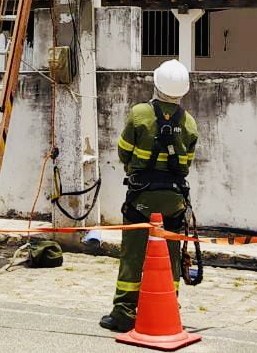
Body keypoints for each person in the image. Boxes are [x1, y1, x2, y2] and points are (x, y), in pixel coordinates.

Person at [100, 59, 199, 333]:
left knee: (133, 254)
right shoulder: (190, 123)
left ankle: (123, 313)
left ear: (156, 84)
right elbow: (186, 165)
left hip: (141, 198)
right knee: (170, 256)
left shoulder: (139, 114)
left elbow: (123, 152)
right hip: (174, 200)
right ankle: (168, 305)